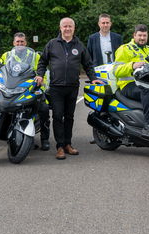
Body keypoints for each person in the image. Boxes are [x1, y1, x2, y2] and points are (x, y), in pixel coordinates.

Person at [36, 18, 102, 160]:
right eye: (65, 26)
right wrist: (40, 75)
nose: (67, 29)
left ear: (74, 28)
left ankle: (67, 144)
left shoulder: (79, 45)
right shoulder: (52, 44)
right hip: (56, 87)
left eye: (70, 26)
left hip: (72, 87)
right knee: (58, 116)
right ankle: (59, 147)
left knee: (70, 117)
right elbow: (42, 62)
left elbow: (88, 64)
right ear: (60, 28)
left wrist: (93, 77)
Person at [114, 24, 149, 137]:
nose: (142, 38)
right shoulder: (124, 49)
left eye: (144, 35)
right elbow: (116, 70)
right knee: (147, 90)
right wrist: (132, 65)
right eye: (140, 35)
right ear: (134, 35)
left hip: (148, 84)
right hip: (128, 85)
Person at [2, 32, 51, 151]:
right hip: (12, 89)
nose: (20, 44)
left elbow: (42, 72)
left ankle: (45, 139)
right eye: (17, 42)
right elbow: (1, 72)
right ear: (13, 43)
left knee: (44, 109)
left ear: (26, 43)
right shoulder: (6, 55)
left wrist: (41, 85)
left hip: (31, 90)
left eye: (22, 42)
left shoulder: (34, 55)